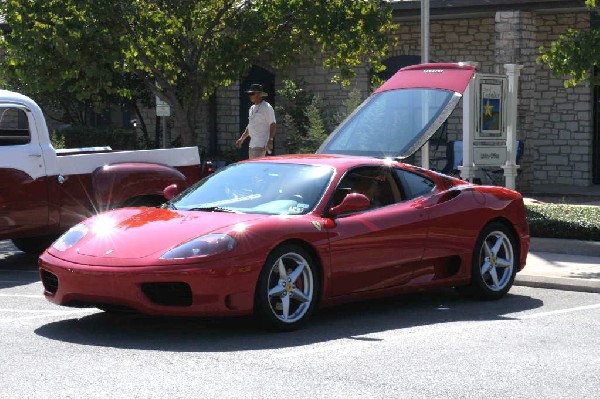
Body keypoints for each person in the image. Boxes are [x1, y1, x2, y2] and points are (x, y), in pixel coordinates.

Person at [236, 83, 276, 159]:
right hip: (252, 145)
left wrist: (270, 140)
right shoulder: (251, 108)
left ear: (259, 94)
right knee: (253, 168)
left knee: (257, 169)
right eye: (249, 93)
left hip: (261, 144)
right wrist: (242, 139)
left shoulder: (266, 107)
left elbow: (273, 124)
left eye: (252, 93)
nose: (250, 95)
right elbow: (250, 126)